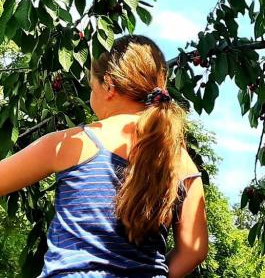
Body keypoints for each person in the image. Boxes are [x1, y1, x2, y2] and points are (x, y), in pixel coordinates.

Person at [0, 35, 208, 278]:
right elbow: (194, 249)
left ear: (108, 86)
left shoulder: (74, 143)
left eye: (91, 87)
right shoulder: (181, 161)